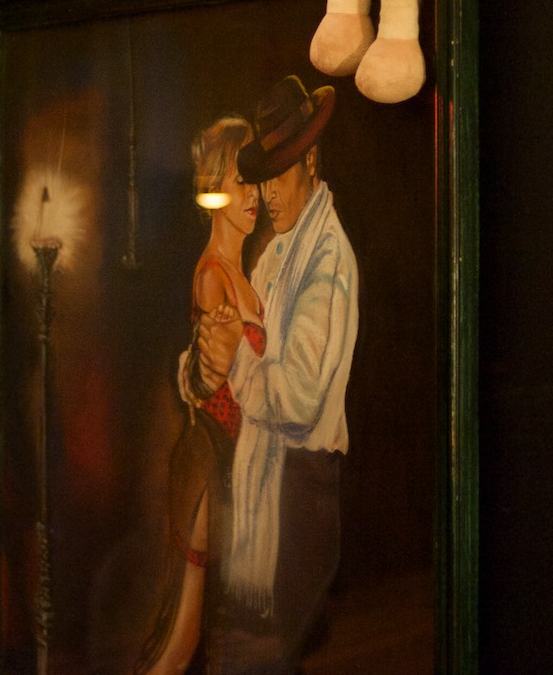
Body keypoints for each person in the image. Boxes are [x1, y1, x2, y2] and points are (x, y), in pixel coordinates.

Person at [198, 75, 359, 674]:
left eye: (279, 174)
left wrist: (234, 359)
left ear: (311, 162)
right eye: (261, 179)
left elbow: (295, 399)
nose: (266, 194)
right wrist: (204, 361)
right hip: (269, 492)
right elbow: (241, 344)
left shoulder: (328, 261)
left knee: (261, 658)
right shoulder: (276, 254)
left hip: (300, 498)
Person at [135, 116, 266, 675]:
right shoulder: (213, 275)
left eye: (255, 180)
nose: (252, 196)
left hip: (232, 465)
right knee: (183, 636)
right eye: (239, 182)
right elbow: (219, 379)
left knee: (203, 634)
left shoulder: (242, 271)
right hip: (211, 463)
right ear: (214, 189)